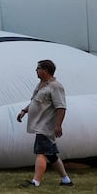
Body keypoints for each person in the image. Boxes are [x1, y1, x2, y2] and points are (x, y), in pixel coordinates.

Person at [16, 58, 73, 187]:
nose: (36, 71)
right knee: (52, 155)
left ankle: (35, 182)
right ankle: (66, 180)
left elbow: (61, 107)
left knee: (40, 153)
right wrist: (24, 111)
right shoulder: (41, 85)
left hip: (46, 126)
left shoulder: (56, 87)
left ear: (45, 70)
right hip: (39, 124)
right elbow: (35, 101)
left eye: (38, 68)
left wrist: (58, 125)